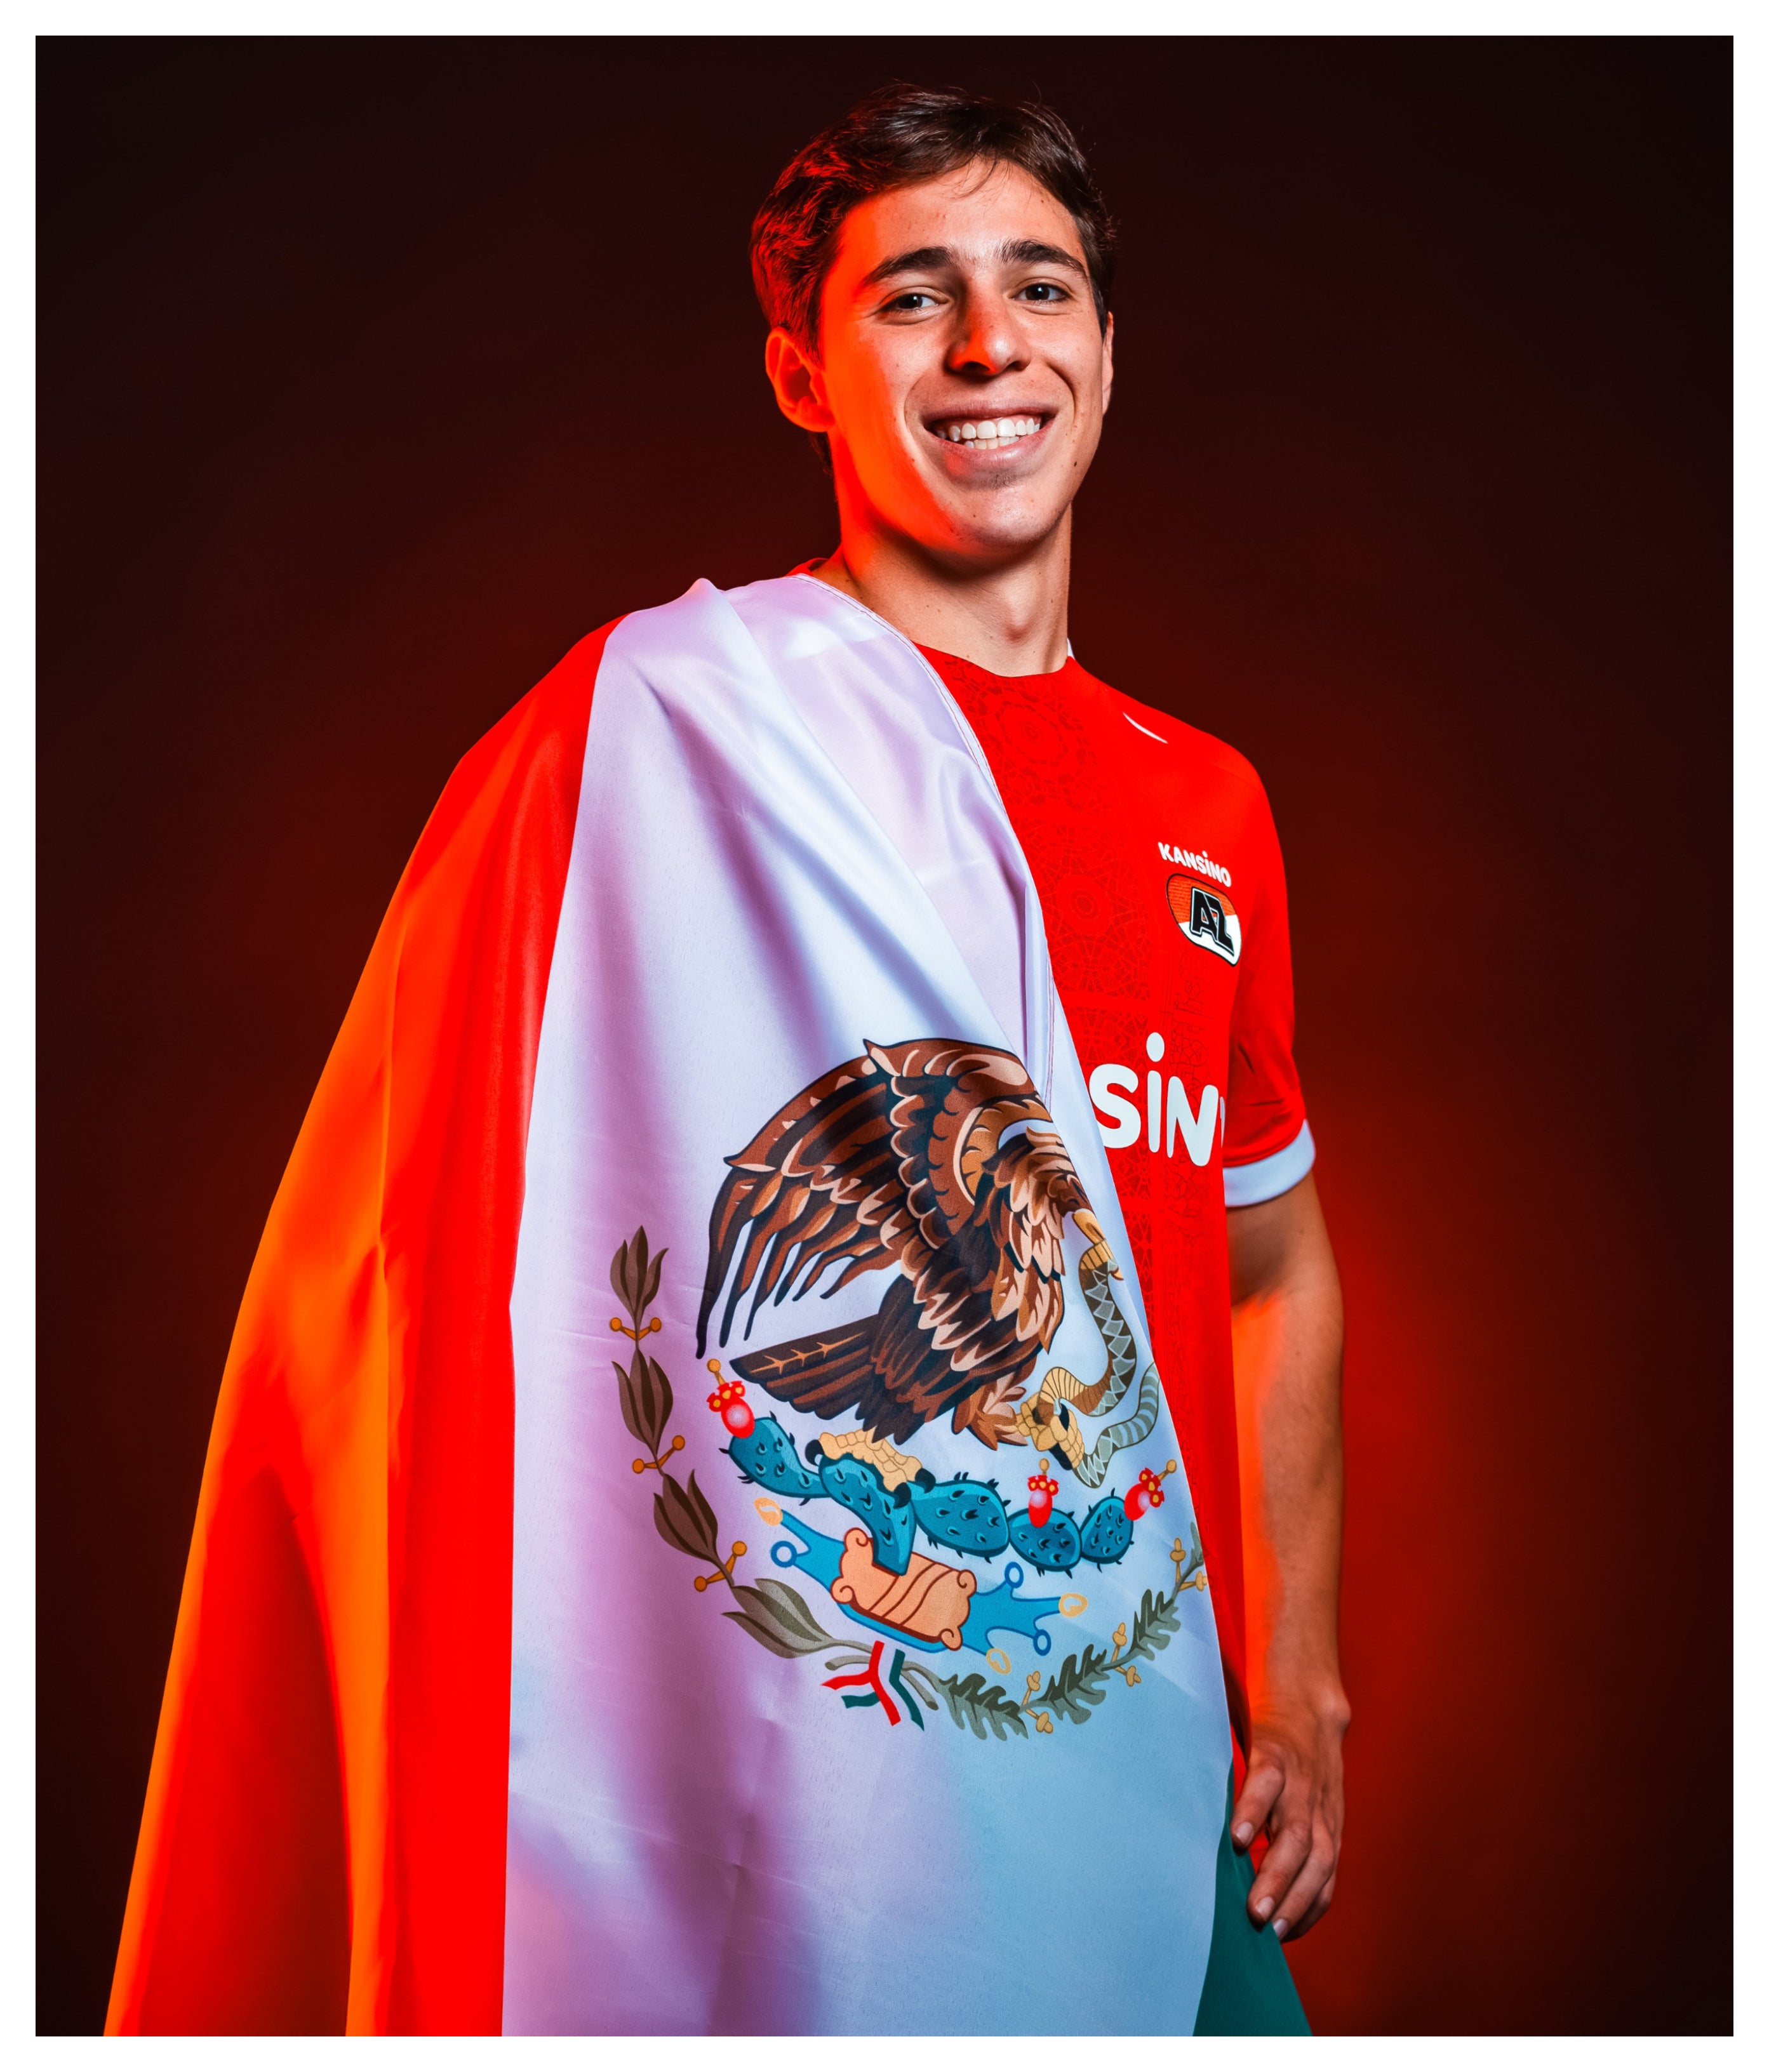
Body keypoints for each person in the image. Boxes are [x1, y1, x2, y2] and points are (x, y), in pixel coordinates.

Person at [107, 85, 1346, 2038]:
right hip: (831, 1745)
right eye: (911, 298)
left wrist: (1300, 1678)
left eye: (1039, 288)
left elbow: (1269, 1263)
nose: (988, 344)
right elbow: (441, 1232)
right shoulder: (669, 739)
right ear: (798, 374)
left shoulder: (1209, 804)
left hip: (1140, 1709)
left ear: (1106, 352)